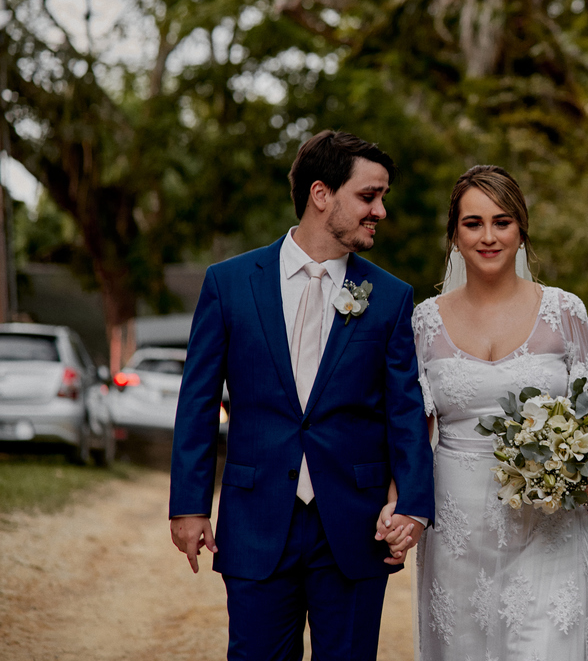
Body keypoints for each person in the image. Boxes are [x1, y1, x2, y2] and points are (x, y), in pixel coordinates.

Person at [169, 130, 435, 661]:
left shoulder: (389, 297)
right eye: (369, 195)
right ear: (321, 194)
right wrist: (189, 504)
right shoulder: (230, 282)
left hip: (356, 527)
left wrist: (411, 504)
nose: (380, 210)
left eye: (382, 197)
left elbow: (404, 409)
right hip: (255, 516)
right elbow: (198, 400)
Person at [376, 165, 588, 661]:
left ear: (521, 229)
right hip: (457, 531)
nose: (488, 236)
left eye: (501, 222)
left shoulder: (564, 310)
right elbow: (413, 430)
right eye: (473, 223)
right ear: (454, 235)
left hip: (547, 524)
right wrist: (398, 504)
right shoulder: (423, 321)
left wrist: (586, 465)